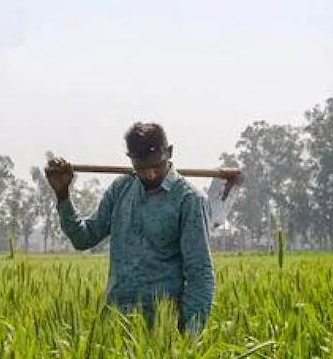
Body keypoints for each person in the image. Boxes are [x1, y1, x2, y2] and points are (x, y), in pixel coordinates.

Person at [45, 122, 215, 332]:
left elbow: (200, 273)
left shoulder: (189, 200)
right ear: (131, 160)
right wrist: (63, 194)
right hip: (116, 322)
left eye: (157, 165)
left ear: (169, 152)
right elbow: (83, 238)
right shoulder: (120, 190)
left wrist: (190, 335)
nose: (151, 174)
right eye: (142, 168)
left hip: (162, 328)